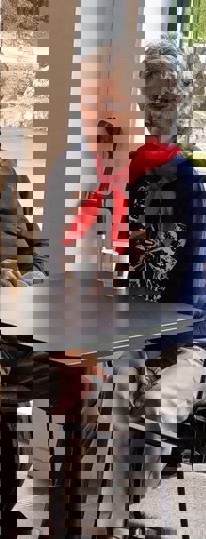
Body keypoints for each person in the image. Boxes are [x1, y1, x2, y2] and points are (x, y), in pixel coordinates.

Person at [0, 45, 100, 538]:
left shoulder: (11, 173)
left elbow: (38, 252)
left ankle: (66, 515)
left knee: (88, 383)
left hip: (25, 320)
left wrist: (29, 282)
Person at [89, 40, 206, 536]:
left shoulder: (192, 178)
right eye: (153, 96)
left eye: (170, 97)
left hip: (184, 337)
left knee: (156, 411)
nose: (161, 108)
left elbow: (191, 275)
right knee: (100, 409)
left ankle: (120, 512)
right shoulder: (125, 174)